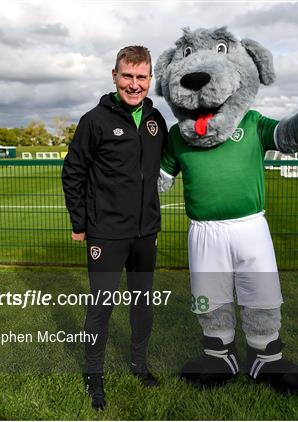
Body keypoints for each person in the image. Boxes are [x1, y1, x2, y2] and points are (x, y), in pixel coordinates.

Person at [62, 45, 167, 411]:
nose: (134, 84)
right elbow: (73, 171)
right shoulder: (95, 120)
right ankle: (94, 375)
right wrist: (80, 223)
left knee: (142, 303)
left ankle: (139, 365)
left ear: (150, 79)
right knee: (101, 306)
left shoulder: (157, 121)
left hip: (145, 233)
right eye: (127, 76)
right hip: (106, 233)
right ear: (114, 76)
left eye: (141, 77)